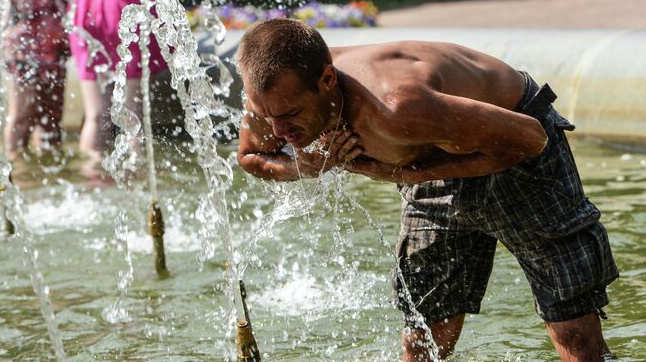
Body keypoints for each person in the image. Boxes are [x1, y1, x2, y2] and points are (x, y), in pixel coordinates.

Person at [235, 19, 619, 362]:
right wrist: (305, 166)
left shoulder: (396, 106)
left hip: (511, 139)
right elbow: (251, 157)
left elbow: (532, 140)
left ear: (327, 81)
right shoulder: (270, 100)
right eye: (266, 115)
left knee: (573, 335)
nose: (278, 130)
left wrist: (399, 173)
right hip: (421, 159)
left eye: (289, 117)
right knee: (422, 343)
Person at [69, 0, 181, 161]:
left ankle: (92, 177)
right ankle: (135, 172)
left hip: (96, 8)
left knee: (100, 116)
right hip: (122, 7)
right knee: (126, 114)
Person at [1, 0, 70, 159]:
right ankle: (15, 166)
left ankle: (48, 169)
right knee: (22, 118)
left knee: (52, 120)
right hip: (24, 49)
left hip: (55, 45)